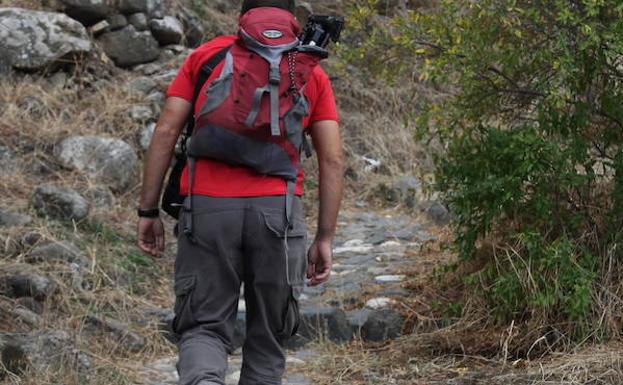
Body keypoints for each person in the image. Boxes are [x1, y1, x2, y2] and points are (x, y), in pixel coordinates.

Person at [136, 0, 344, 384]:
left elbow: (165, 131)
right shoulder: (308, 72)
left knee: (203, 327)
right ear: (294, 22)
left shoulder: (207, 57)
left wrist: (148, 212)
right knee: (268, 336)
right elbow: (331, 160)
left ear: (241, 20)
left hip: (208, 211)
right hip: (278, 215)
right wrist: (325, 237)